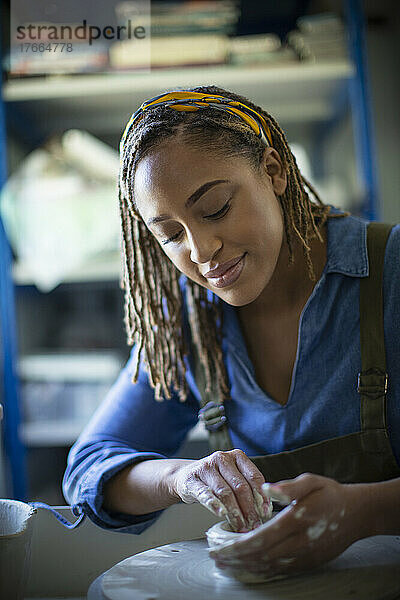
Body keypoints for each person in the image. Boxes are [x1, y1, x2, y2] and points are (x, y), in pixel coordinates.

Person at [62, 86, 400, 579]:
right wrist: (182, 476)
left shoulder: (390, 271)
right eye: (171, 235)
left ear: (273, 171)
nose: (201, 252)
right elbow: (89, 468)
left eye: (216, 208)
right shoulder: (189, 318)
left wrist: (364, 511)